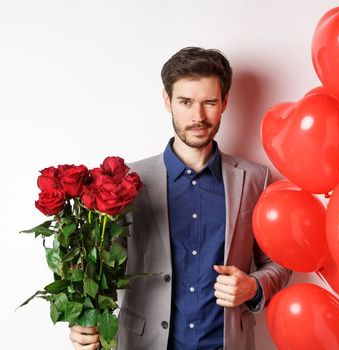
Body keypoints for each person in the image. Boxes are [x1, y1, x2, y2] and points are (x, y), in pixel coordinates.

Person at [69, 47, 290, 350]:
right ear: (167, 101)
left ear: (224, 102)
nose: (197, 116)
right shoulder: (126, 182)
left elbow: (279, 262)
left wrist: (253, 286)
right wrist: (83, 320)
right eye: (186, 102)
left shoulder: (255, 179)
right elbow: (101, 268)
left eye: (209, 102)